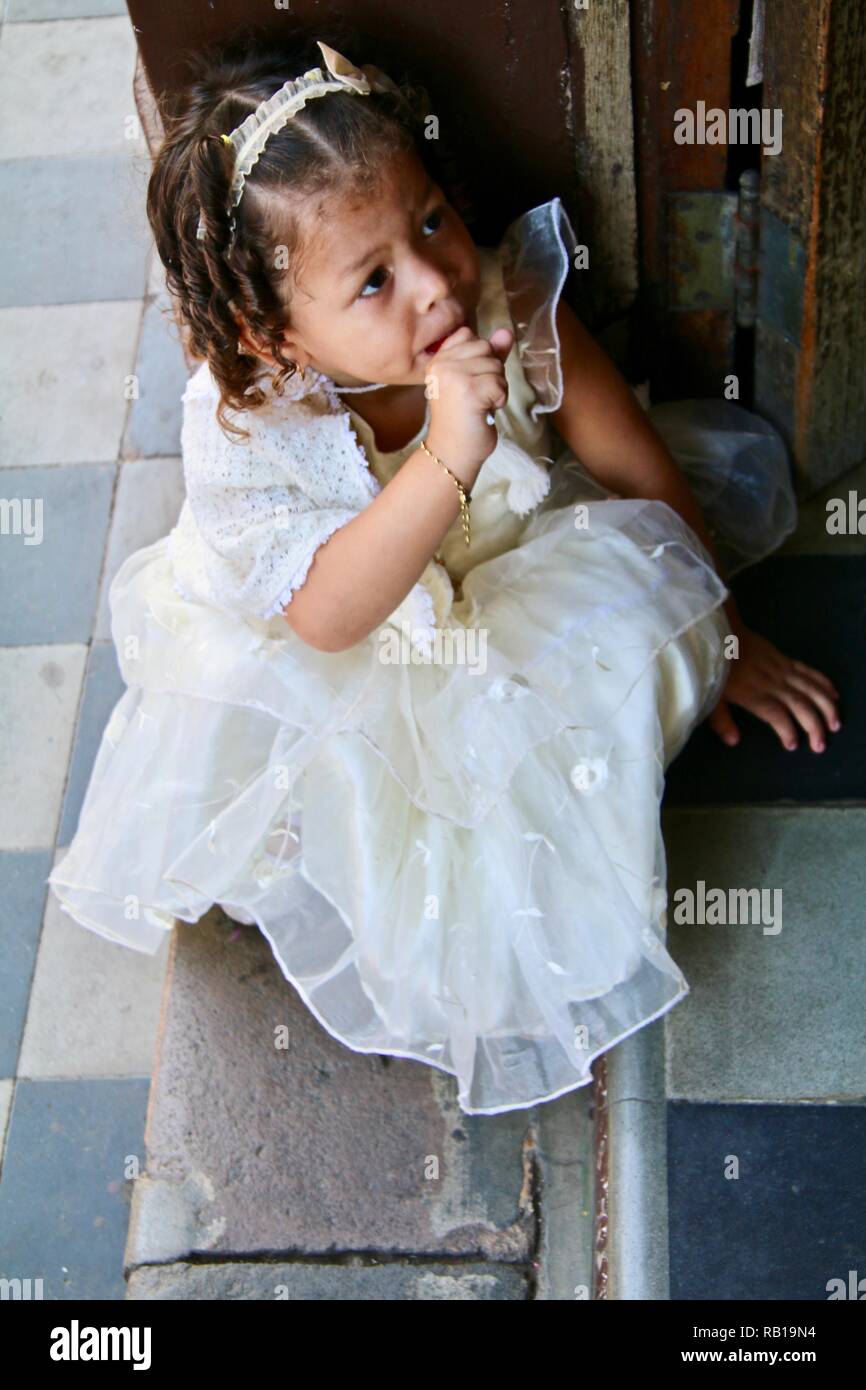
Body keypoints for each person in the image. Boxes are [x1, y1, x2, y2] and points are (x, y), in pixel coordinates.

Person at [47, 31, 840, 1116]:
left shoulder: (513, 304)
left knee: (644, 606)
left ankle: (572, 813)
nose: (433, 282)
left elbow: (633, 471)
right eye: (372, 280)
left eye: (429, 220)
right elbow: (328, 619)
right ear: (267, 332)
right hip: (362, 654)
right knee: (412, 862)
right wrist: (443, 455)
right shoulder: (249, 432)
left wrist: (725, 621)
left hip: (517, 589)